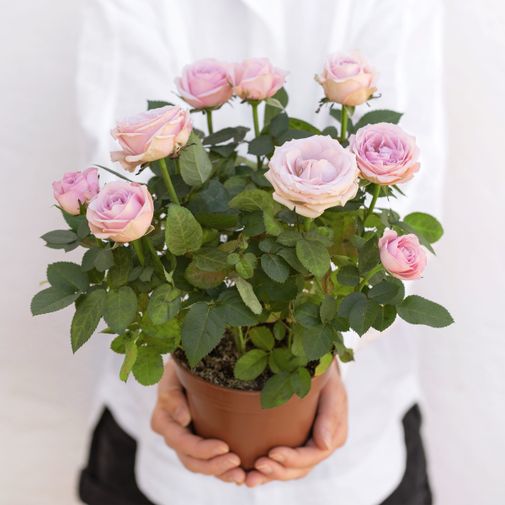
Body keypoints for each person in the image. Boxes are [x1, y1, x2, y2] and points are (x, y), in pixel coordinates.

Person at [77, 1, 445, 504]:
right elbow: (114, 167)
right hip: (162, 450)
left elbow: (417, 169)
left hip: (359, 458)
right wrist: (173, 356)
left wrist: (333, 354)